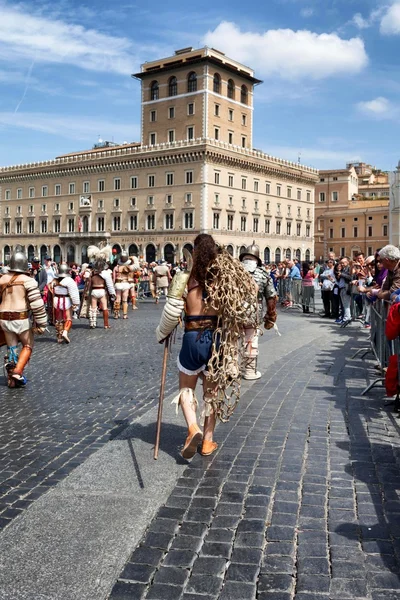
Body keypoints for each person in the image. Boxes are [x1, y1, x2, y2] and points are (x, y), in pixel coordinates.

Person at [155, 234, 257, 459]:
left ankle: (193, 427)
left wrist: (162, 334)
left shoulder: (185, 278)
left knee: (186, 388)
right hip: (216, 340)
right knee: (211, 394)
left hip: (192, 337)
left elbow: (171, 312)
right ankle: (208, 441)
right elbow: (241, 308)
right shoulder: (226, 280)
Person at [0, 248, 47, 387]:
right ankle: (18, 371)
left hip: (3, 317)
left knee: (11, 347)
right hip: (20, 317)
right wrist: (42, 323)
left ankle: (11, 380)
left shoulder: (2, 279)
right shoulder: (28, 280)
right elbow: (37, 304)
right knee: (28, 344)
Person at [239, 242, 277, 379]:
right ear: (257, 259)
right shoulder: (263, 274)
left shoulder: (234, 271)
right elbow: (271, 297)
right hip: (253, 311)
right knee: (251, 339)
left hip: (233, 311)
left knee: (230, 339)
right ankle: (249, 371)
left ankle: (230, 369)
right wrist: (271, 314)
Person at [81, 253, 116, 329]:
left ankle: (92, 323)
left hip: (94, 291)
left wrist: (86, 293)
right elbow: (110, 285)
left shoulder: (91, 273)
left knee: (93, 308)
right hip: (102, 291)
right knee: (104, 308)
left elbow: (88, 283)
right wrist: (112, 294)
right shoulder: (106, 274)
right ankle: (106, 324)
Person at [49, 264, 80, 343]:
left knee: (59, 319)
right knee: (68, 318)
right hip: (66, 300)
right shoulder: (69, 280)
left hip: (56, 300)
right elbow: (74, 293)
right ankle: (65, 332)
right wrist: (76, 303)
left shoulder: (54, 280)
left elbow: (50, 289)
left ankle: (59, 337)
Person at [113, 251, 135, 319]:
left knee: (118, 299)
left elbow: (113, 278)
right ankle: (125, 315)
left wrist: (113, 285)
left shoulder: (116, 268)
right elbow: (132, 276)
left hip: (118, 283)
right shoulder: (129, 268)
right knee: (125, 300)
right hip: (126, 283)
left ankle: (116, 314)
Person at [337, 256, 353, 325]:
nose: (342, 264)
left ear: (347, 262)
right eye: (341, 263)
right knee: (344, 305)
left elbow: (350, 277)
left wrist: (342, 274)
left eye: (343, 263)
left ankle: (347, 318)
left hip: (346, 288)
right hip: (342, 288)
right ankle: (347, 318)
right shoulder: (343, 269)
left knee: (346, 305)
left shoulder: (349, 269)